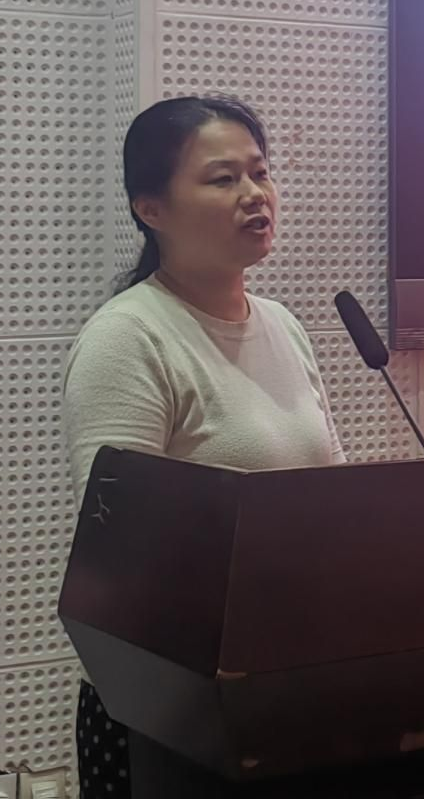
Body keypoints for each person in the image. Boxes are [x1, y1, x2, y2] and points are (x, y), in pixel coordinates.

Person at [61, 95, 346, 798]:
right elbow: (124, 552)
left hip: (291, 683)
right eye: (223, 179)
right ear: (150, 209)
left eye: (261, 172)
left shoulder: (282, 325)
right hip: (170, 709)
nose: (255, 194)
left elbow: (333, 501)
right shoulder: (129, 337)